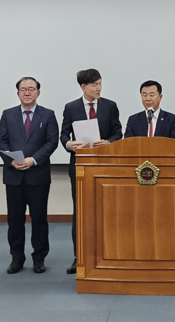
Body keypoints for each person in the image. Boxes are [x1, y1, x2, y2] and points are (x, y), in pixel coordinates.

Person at [60, 68, 122, 274]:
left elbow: (118, 133)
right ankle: (79, 257)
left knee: (107, 211)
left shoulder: (110, 106)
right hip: (80, 166)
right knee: (80, 212)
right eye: (94, 85)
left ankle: (108, 253)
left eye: (100, 83)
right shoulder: (71, 107)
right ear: (83, 87)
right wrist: (69, 144)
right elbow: (63, 135)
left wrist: (109, 142)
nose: (99, 88)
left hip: (105, 166)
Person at [0, 77, 59, 274]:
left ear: (38, 93)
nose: (27, 92)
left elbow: (52, 141)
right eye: (23, 89)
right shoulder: (7, 114)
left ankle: (39, 258)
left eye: (31, 89)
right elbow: (1, 141)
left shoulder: (48, 115)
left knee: (39, 219)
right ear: (18, 94)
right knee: (14, 220)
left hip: (38, 175)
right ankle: (17, 258)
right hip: (13, 175)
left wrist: (34, 159)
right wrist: (11, 161)